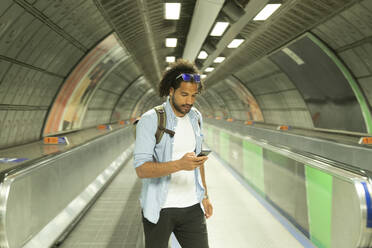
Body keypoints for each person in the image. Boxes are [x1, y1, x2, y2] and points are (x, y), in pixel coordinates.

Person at [134, 59, 213, 248]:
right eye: (184, 94)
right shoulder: (151, 120)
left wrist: (205, 196)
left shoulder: (195, 117)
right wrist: (179, 164)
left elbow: (197, 160)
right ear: (171, 91)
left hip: (192, 206)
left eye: (194, 95)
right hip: (160, 208)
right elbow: (142, 169)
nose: (189, 101)